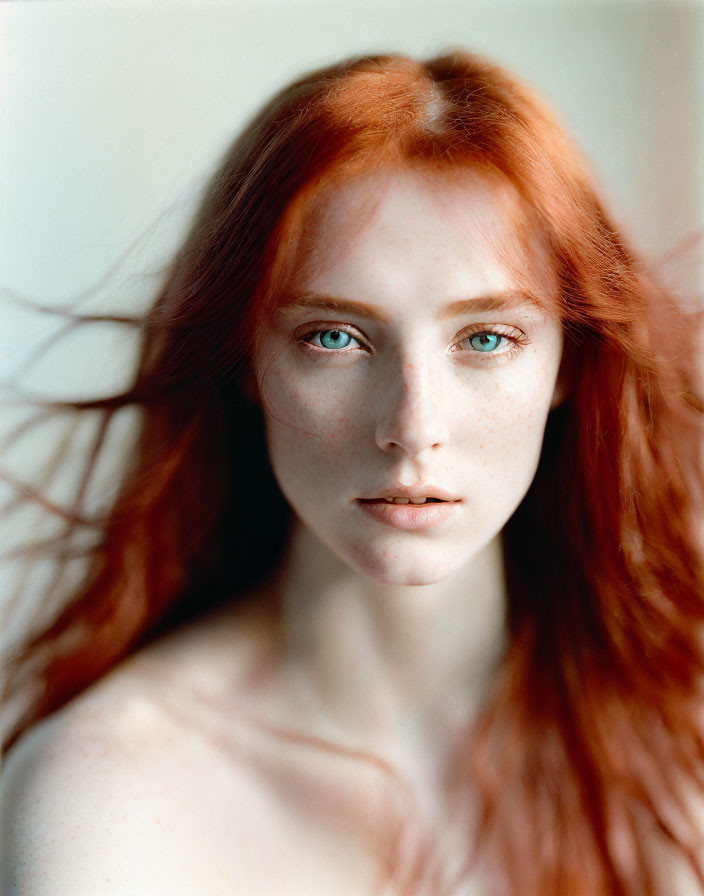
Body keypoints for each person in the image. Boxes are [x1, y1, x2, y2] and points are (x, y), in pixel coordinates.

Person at [1, 49, 704, 896]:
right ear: (243, 363)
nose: (413, 428)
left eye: (485, 339)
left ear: (569, 367)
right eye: (333, 337)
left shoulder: (677, 752)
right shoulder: (108, 795)